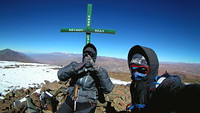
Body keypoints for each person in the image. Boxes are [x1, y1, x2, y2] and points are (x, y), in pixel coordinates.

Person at [127, 45, 200, 113]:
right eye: (132, 69)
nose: (135, 74)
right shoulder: (134, 84)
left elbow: (183, 92)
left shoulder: (161, 86)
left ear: (151, 69)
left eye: (142, 70)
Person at [57, 43, 114, 113]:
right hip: (71, 99)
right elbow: (60, 75)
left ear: (94, 57)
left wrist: (99, 71)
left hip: (87, 103)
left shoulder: (99, 72)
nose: (87, 57)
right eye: (86, 54)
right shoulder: (75, 65)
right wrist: (75, 69)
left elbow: (108, 89)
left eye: (91, 54)